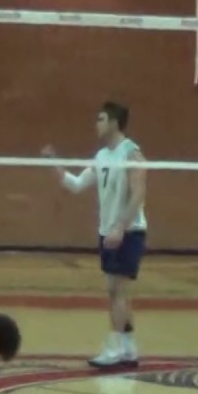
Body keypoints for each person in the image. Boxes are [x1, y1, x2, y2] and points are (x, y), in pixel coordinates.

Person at [44, 101, 148, 369]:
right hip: (107, 232)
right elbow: (77, 184)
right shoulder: (101, 156)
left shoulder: (132, 153)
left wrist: (121, 227)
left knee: (117, 291)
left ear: (114, 122)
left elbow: (138, 193)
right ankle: (128, 349)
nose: (96, 124)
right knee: (118, 292)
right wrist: (53, 163)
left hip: (128, 231)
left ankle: (114, 348)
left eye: (101, 119)